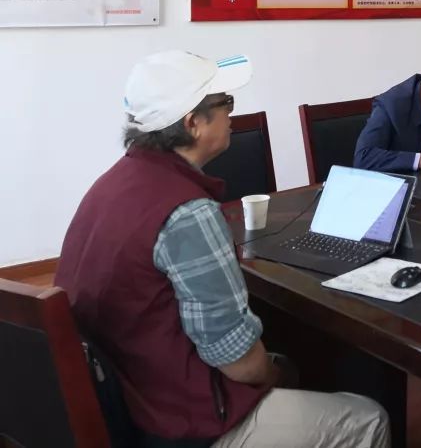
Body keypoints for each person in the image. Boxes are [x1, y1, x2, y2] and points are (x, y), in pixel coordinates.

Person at [55, 51, 390, 448]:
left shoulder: (112, 182)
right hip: (179, 422)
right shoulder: (187, 212)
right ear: (193, 123)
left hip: (127, 395)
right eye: (225, 103)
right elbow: (241, 364)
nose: (232, 114)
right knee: (369, 419)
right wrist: (276, 375)